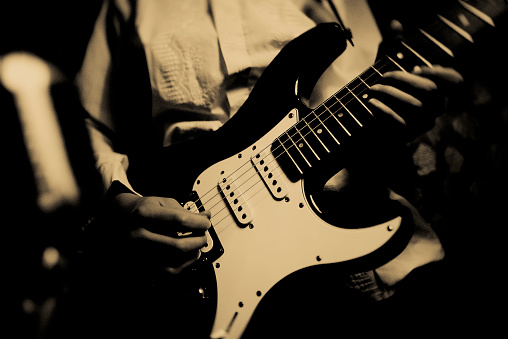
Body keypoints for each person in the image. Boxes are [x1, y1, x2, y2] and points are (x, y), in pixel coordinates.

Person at [73, 0, 465, 337]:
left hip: (337, 246)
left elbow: (358, 120)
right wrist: (120, 203)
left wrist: (395, 117)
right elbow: (86, 124)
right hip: (181, 256)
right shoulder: (129, 3)